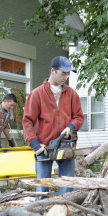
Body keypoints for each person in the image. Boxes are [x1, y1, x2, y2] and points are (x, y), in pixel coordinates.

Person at [23, 56, 84, 197]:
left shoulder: (72, 94)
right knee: (43, 186)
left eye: (68, 73)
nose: (66, 77)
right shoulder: (37, 94)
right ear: (52, 71)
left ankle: (66, 213)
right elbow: (27, 121)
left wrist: (71, 126)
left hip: (66, 145)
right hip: (44, 146)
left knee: (68, 185)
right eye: (63, 73)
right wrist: (35, 144)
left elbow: (79, 117)